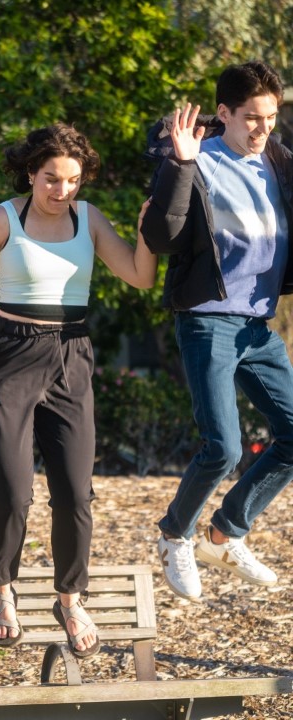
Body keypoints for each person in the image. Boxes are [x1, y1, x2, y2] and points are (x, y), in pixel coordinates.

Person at [0, 123, 157, 657]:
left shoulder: (89, 219)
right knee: (12, 490)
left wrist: (148, 233)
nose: (62, 190)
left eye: (72, 180)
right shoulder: (4, 218)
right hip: (10, 355)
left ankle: (70, 598)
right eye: (51, 178)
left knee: (75, 492)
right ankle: (1, 588)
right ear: (31, 173)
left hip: (72, 354)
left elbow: (141, 276)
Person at [141, 61, 293, 602]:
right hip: (208, 317)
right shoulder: (196, 157)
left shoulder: (279, 162)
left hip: (257, 322)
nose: (262, 128)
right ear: (223, 113)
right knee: (223, 448)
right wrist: (180, 163)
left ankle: (225, 534)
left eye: (270, 117)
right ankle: (174, 535)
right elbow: (161, 236)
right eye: (251, 117)